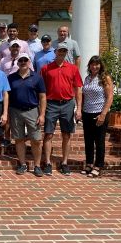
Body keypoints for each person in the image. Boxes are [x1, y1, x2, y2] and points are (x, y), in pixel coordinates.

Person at [41, 42, 83, 176]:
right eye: (60, 51)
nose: (62, 53)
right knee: (48, 134)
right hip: (51, 104)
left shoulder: (73, 69)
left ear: (66, 53)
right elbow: (41, 90)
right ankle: (47, 162)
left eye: (64, 51)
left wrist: (79, 108)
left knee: (67, 134)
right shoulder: (46, 68)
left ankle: (64, 163)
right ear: (55, 52)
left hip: (67, 104)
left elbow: (77, 89)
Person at [7, 53, 46, 177]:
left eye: (25, 60)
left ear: (29, 62)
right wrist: (6, 112)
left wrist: (42, 115)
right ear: (17, 63)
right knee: (19, 139)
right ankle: (23, 164)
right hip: (15, 111)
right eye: (21, 60)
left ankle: (37, 165)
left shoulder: (37, 77)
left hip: (32, 110)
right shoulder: (11, 78)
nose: (23, 62)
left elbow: (43, 97)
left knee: (36, 139)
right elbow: (7, 95)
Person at [81, 55, 114, 178]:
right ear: (89, 65)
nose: (94, 66)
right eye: (92, 64)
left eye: (97, 64)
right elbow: (85, 96)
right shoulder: (87, 78)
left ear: (101, 66)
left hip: (100, 113)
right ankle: (89, 163)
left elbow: (110, 97)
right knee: (88, 140)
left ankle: (98, 166)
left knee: (99, 141)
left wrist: (103, 114)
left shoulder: (105, 78)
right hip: (87, 113)